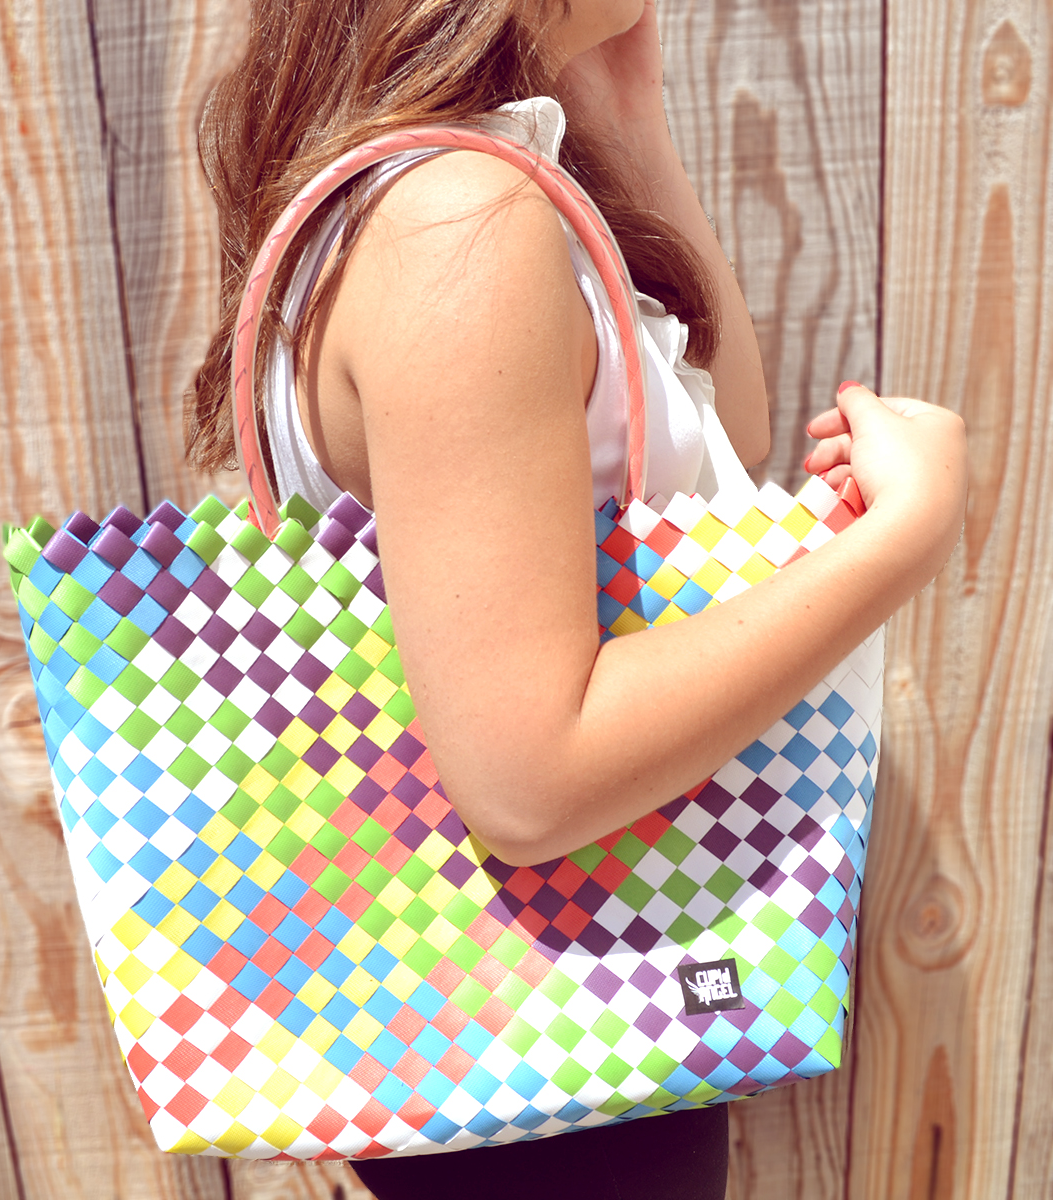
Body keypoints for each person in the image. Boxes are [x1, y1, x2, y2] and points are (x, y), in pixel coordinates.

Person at [186, 0, 968, 1195]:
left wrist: (625, 110)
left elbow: (722, 433)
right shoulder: (457, 221)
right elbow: (529, 779)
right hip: (550, 1046)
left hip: (529, 1029)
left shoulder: (459, 185)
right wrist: (898, 544)